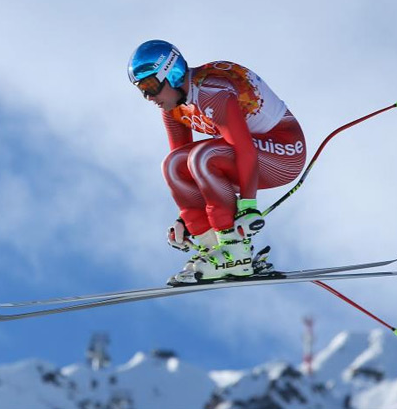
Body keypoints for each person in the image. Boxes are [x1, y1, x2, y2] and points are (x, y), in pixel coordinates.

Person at [128, 40, 307, 285]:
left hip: (284, 153)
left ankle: (236, 250)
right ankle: (213, 247)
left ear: (172, 73)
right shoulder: (173, 107)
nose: (148, 96)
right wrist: (187, 220)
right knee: (173, 164)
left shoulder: (213, 92)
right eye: (141, 89)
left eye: (150, 85)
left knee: (203, 157)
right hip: (248, 154)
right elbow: (183, 169)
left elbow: (243, 149)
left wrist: (248, 207)